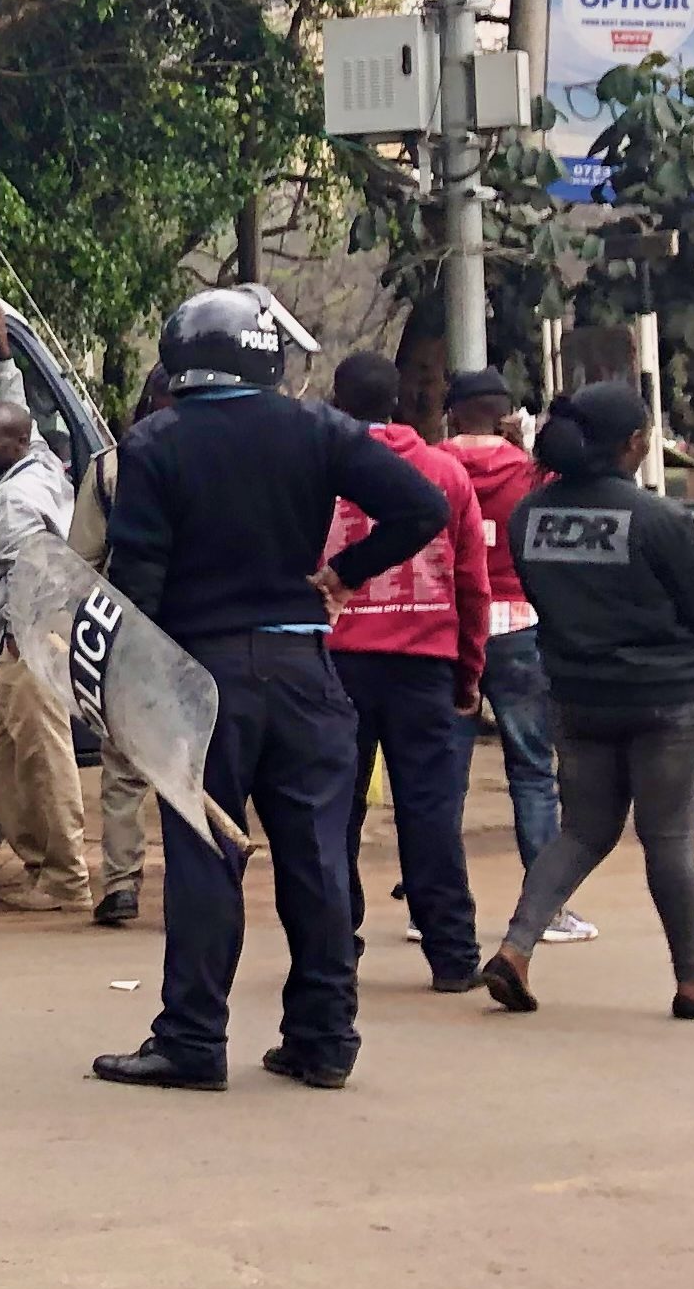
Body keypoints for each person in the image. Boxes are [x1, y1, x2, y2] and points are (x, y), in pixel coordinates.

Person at [93, 288, 448, 1093]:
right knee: (319, 858)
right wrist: (343, 573)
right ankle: (325, 1039)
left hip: (200, 680)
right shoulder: (318, 428)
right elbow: (422, 506)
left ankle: (192, 1040)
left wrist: (125, 688)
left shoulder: (154, 443)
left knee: (203, 859)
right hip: (304, 674)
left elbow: (138, 580)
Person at [480, 383, 694, 1019]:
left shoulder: (529, 516)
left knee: (582, 830)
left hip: (577, 695)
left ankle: (515, 948)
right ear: (633, 443)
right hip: (666, 699)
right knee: (668, 837)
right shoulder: (656, 519)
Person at [321, 351, 490, 991]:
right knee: (429, 811)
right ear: (397, 402)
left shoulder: (319, 472)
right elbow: (471, 582)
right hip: (424, 664)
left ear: (337, 402)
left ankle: (335, 947)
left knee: (335, 811)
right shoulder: (443, 473)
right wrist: (468, 669)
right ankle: (452, 955)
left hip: (336, 662)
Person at [443, 370, 583, 942]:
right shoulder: (531, 475)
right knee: (532, 770)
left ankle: (432, 908)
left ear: (453, 414)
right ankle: (546, 910)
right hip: (520, 627)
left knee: (441, 778)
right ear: (504, 415)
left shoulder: (429, 468)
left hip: (450, 630)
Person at [0, 400, 90, 911]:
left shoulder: (13, 498)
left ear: (16, 443)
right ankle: (43, 866)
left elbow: (29, 569)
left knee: (42, 755)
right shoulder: (39, 461)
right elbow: (23, 419)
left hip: (29, 640)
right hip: (34, 637)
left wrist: (21, 635)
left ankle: (67, 878)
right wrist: (3, 361)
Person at [70, 365, 178, 925]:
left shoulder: (113, 465)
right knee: (196, 763)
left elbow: (82, 561)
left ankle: (120, 883)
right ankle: (194, 885)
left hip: (130, 631)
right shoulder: (238, 458)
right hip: (212, 634)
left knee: (123, 764)